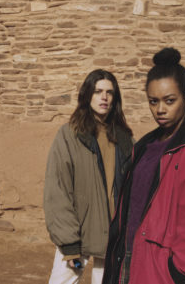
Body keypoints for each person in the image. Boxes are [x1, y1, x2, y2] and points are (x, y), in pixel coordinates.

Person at [102, 48, 185, 284]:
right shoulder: (146, 145)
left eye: (170, 100)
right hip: (131, 259)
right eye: (153, 101)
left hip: (163, 272)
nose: (160, 109)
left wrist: (178, 274)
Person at [44, 69, 135, 284]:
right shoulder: (69, 135)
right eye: (98, 91)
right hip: (79, 236)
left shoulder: (125, 139)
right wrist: (69, 242)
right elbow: (57, 190)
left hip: (113, 238)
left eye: (110, 92)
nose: (104, 97)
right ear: (87, 95)